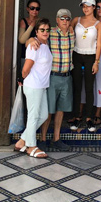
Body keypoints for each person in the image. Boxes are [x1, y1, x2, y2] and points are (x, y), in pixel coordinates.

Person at [14, 18, 53, 158]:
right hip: (33, 86)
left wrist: (29, 39)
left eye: (47, 30)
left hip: (42, 86)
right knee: (33, 116)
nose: (45, 32)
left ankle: (21, 141)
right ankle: (31, 147)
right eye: (42, 30)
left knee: (42, 115)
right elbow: (26, 69)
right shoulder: (34, 46)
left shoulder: (45, 44)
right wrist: (22, 79)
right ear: (36, 31)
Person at [38, 9, 75, 151]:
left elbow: (79, 20)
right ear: (57, 20)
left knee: (61, 110)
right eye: (62, 18)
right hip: (52, 77)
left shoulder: (72, 33)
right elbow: (37, 35)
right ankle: (42, 139)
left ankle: (56, 138)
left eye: (67, 18)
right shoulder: (50, 32)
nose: (65, 21)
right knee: (48, 110)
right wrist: (30, 40)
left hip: (66, 77)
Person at [71, 0, 101, 132]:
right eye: (84, 6)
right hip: (76, 55)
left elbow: (99, 44)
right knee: (77, 87)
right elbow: (68, 34)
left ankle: (89, 118)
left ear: (94, 7)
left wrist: (96, 62)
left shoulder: (98, 24)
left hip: (91, 56)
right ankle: (76, 116)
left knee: (89, 88)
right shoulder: (76, 20)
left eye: (88, 6)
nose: (86, 8)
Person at [18, 0, 41, 68]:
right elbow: (21, 40)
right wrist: (32, 24)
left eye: (37, 9)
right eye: (32, 8)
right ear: (28, 9)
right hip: (26, 56)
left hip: (38, 55)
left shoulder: (40, 22)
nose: (34, 10)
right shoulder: (23, 21)